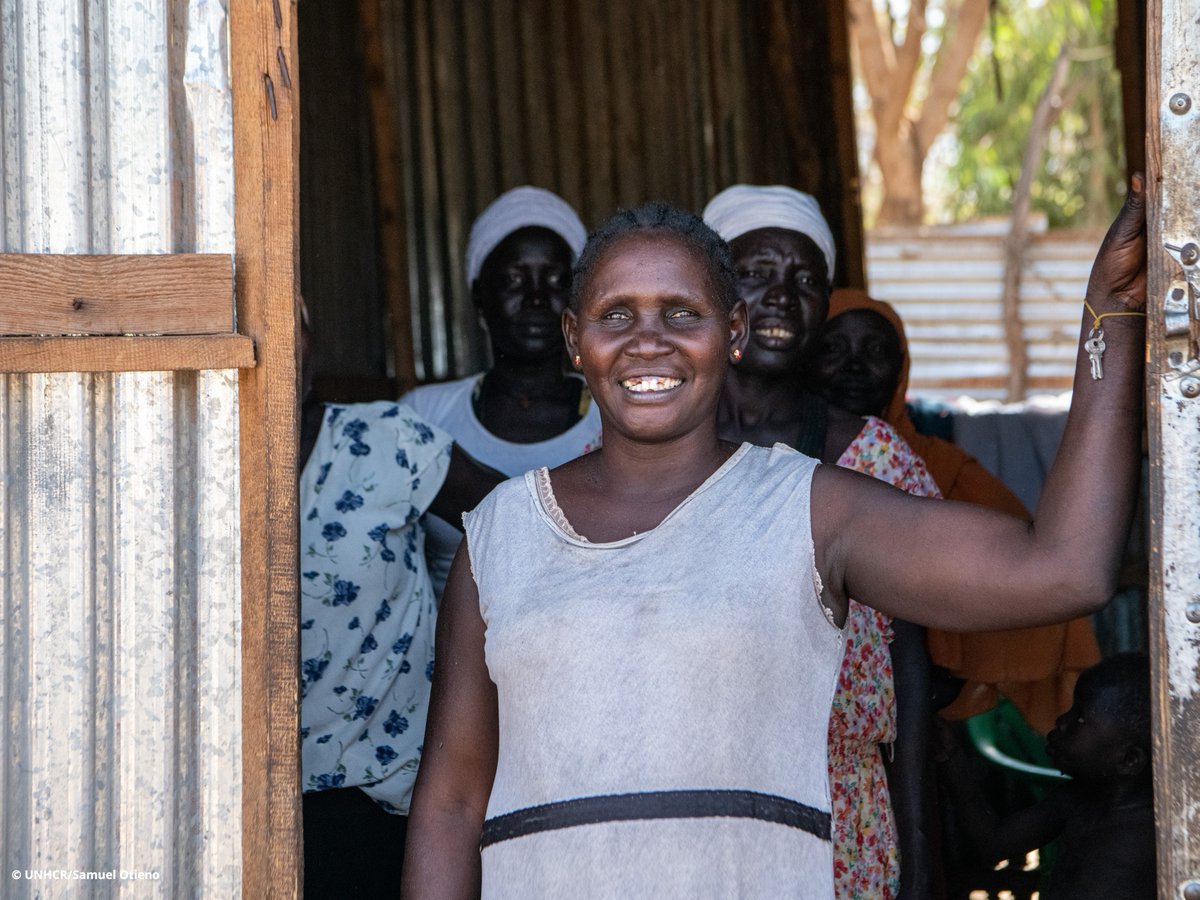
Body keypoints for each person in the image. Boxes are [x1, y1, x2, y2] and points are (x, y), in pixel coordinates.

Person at [402, 182, 1146, 898]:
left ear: (732, 332)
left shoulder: (812, 509)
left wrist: (1107, 315)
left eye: (682, 313)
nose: (649, 342)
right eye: (616, 315)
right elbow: (452, 804)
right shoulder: (501, 534)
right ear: (575, 337)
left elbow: (1064, 568)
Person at [704, 185, 939, 899]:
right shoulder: (642, 450)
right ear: (710, 289)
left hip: (839, 809)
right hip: (685, 801)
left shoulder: (876, 459)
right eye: (756, 273)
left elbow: (911, 665)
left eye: (805, 279)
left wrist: (922, 853)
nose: (781, 296)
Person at [819, 289, 1102, 734]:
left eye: (875, 350)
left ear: (901, 368)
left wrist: (951, 672)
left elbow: (1033, 567)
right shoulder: (779, 460)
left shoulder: (938, 467)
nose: (854, 364)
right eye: (832, 348)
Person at [298, 309, 500, 899]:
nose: (278, 339)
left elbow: (520, 526)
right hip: (236, 803)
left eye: (296, 321)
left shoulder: (384, 442)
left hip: (387, 805)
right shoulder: (179, 456)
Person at [402, 186, 603, 597]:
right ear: (479, 298)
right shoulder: (424, 416)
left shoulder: (615, 413)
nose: (535, 298)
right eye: (513, 280)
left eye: (556, 280)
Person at [933, 653, 1155, 899]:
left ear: (1129, 760)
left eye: (1079, 718)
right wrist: (951, 758)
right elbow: (993, 843)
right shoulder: (1077, 799)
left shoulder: (1147, 836)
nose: (1061, 721)